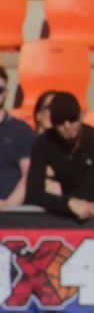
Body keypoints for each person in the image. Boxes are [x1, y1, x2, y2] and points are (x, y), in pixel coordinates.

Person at [24, 92, 94, 222]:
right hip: (73, 210)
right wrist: (68, 203)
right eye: (60, 121)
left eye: (72, 119)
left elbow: (92, 192)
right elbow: (32, 194)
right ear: (53, 123)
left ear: (81, 116)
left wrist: (66, 202)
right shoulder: (44, 143)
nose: (67, 126)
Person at [0, 67, 33, 208]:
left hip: (10, 214)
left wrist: (9, 206)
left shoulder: (21, 131)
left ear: (6, 93)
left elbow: (29, 175)